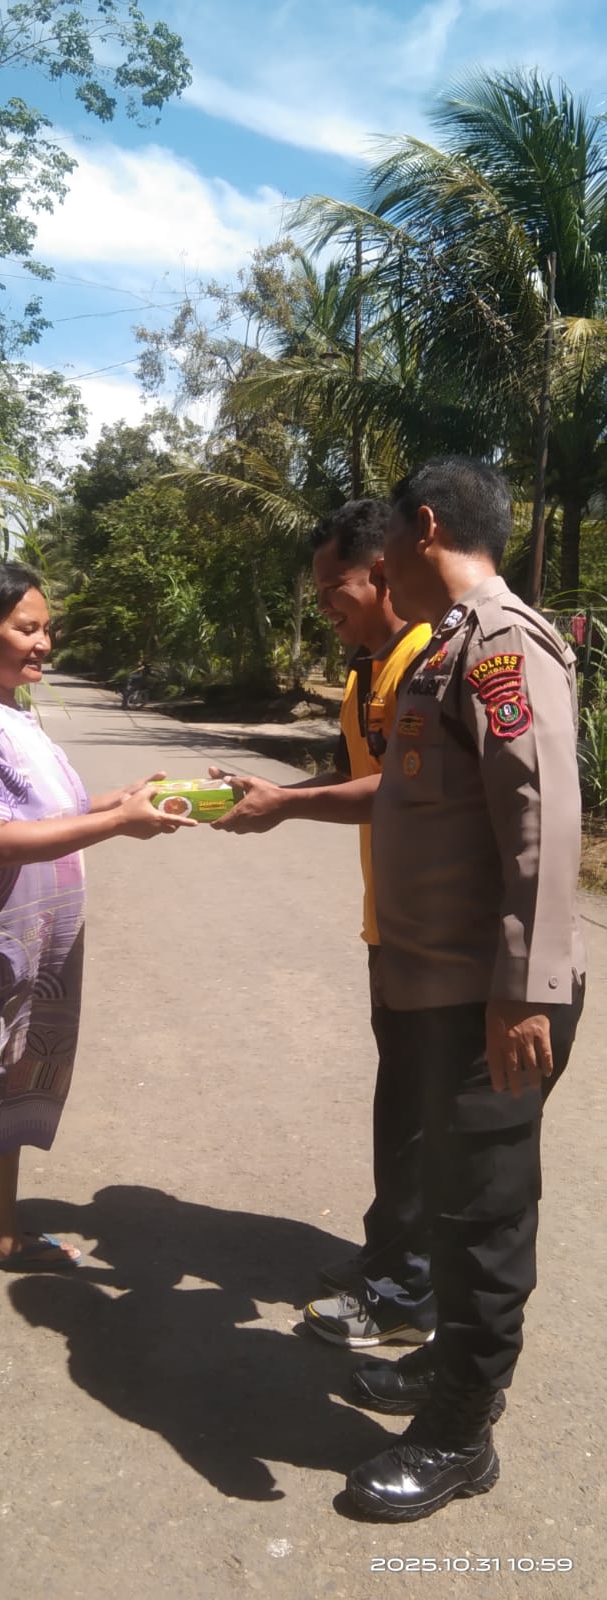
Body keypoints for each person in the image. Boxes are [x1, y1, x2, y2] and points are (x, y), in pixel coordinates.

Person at [340, 458, 585, 1521]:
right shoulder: (440, 649)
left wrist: (525, 988)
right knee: (451, 1197)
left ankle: (459, 1434)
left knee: (485, 1218)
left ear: (425, 524)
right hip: (438, 988)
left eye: (390, 539)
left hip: (493, 998)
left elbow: (541, 818)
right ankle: (449, 1367)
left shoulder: (502, 645)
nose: (381, 561)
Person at [0, 562, 192, 1315]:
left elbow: (53, 810)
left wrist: (123, 801)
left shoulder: (10, 709)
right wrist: (117, 823)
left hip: (23, 951)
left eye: (46, 626)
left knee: (9, 1077)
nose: (44, 642)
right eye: (27, 628)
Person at [210, 498, 436, 1348]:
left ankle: (407, 1294)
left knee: (420, 1112)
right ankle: (391, 1254)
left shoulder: (427, 657)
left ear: (382, 571)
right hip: (392, 917)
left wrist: (288, 807)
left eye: (333, 587)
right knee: (400, 1103)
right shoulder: (366, 665)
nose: (323, 606)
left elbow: (409, 785)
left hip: (434, 928)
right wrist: (278, 795)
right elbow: (361, 774)